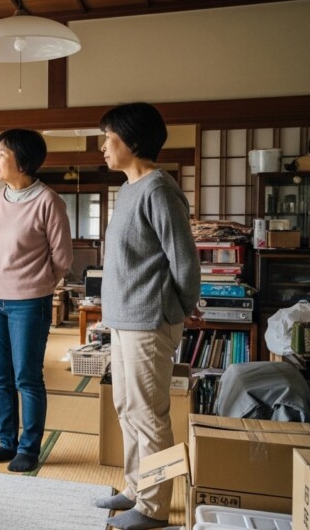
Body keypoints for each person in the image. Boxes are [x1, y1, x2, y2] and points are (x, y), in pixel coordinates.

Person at [92, 102, 200, 530]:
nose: (103, 147)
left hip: (150, 319)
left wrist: (177, 310)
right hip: (124, 319)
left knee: (150, 414)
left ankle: (155, 508)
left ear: (133, 142)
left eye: (109, 138)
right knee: (126, 407)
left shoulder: (158, 188)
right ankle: (136, 488)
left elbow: (185, 261)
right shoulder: (128, 189)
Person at [0, 128, 74, 472]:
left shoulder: (49, 201)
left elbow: (62, 259)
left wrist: (37, 285)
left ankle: (29, 448)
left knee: (27, 377)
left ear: (23, 160)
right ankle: (6, 442)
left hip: (30, 302)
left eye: (1, 154)